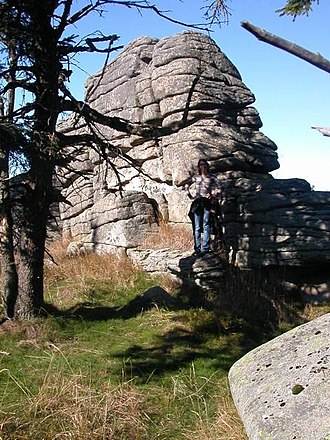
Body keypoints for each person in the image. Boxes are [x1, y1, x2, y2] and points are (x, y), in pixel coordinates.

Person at [185, 159, 221, 255]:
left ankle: (204, 248)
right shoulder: (196, 177)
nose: (203, 166)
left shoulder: (211, 177)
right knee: (197, 227)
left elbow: (220, 187)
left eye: (205, 165)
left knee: (206, 225)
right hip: (197, 202)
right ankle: (197, 248)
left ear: (207, 166)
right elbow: (186, 185)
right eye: (201, 165)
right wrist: (189, 195)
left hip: (207, 202)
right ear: (199, 167)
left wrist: (214, 195)